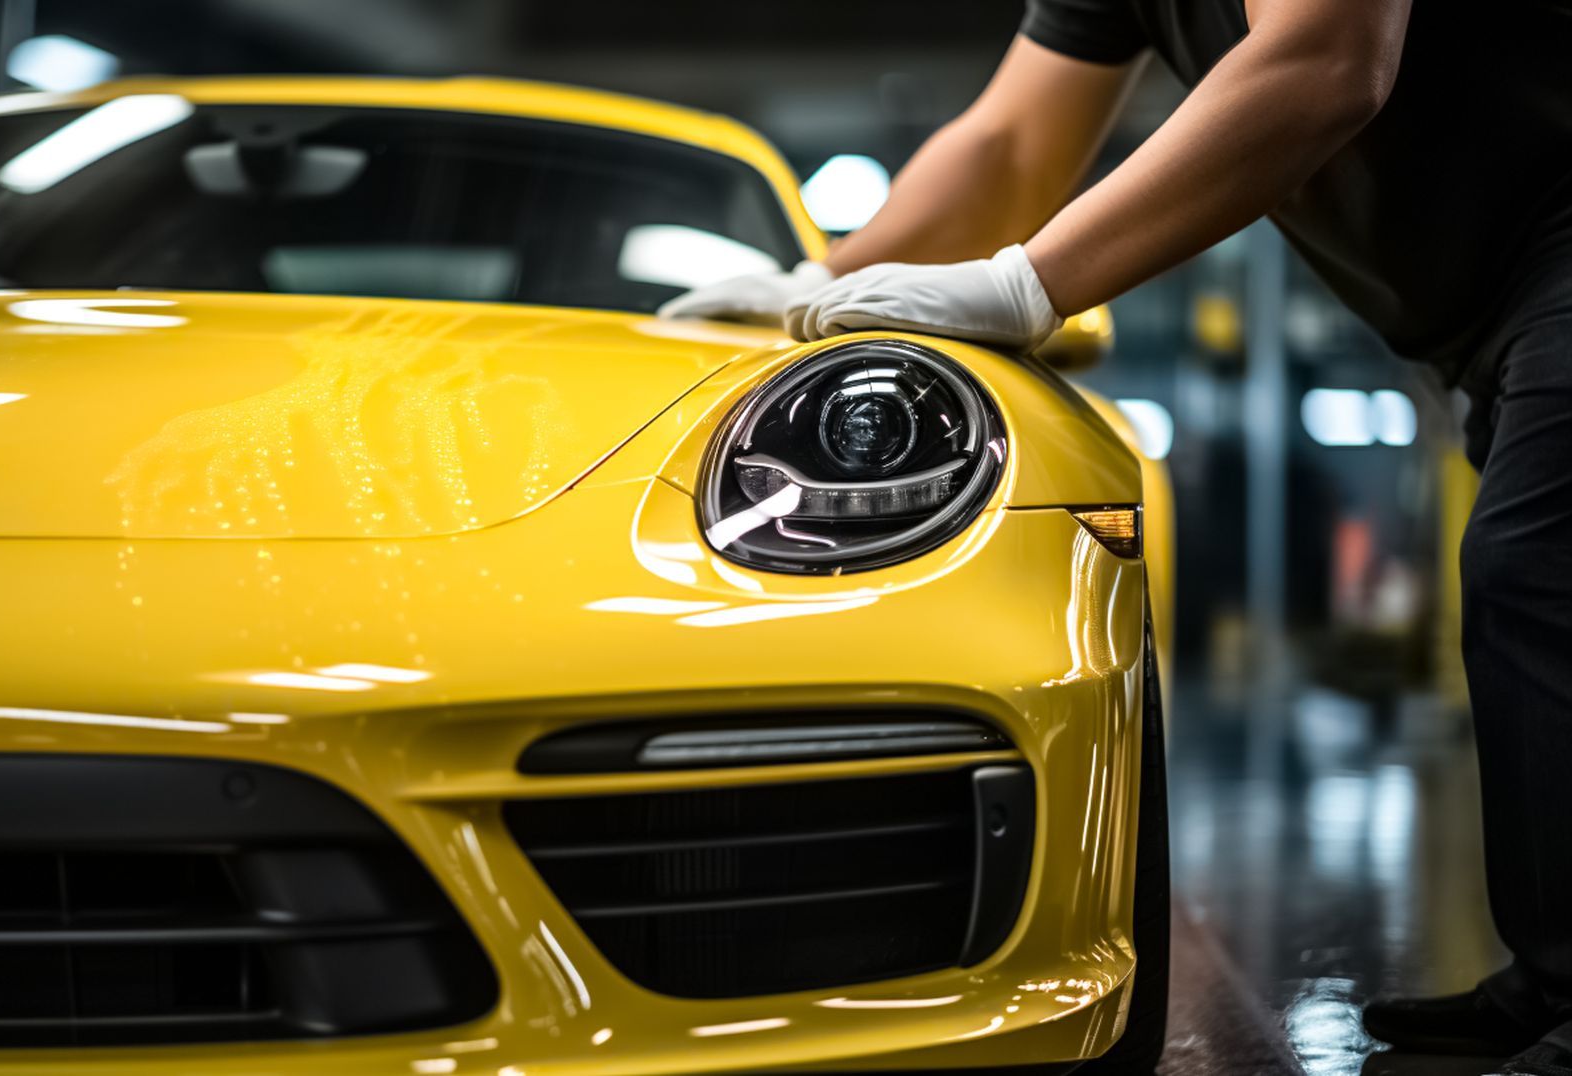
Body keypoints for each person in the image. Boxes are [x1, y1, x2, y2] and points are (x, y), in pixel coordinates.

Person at [660, 0, 1572, 1072]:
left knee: (1534, 579)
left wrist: (1027, 286)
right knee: (1536, 601)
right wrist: (820, 280)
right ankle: (1552, 982)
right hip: (1492, 314)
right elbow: (1008, 142)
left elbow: (1324, 63)